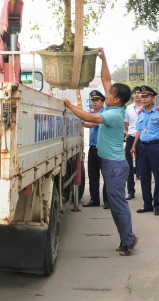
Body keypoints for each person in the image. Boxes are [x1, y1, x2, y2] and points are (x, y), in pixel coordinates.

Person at [61, 47, 137, 256]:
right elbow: (106, 79)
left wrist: (68, 105)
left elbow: (88, 116)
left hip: (114, 166)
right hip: (110, 164)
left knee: (118, 205)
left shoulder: (112, 115)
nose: (107, 93)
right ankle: (125, 239)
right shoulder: (112, 108)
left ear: (117, 99)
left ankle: (128, 241)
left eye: (110, 93)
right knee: (115, 205)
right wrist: (103, 59)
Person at [131, 86, 159, 216]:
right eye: (142, 96)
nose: (143, 99)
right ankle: (147, 204)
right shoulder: (140, 113)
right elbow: (138, 130)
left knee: (158, 177)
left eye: (146, 96)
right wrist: (134, 145)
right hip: (142, 147)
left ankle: (158, 205)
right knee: (144, 177)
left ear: (153, 98)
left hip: (156, 147)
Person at [83, 90, 109, 209]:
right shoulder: (92, 113)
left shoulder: (105, 114)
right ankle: (94, 199)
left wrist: (80, 121)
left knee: (106, 175)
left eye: (97, 100)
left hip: (103, 149)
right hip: (92, 148)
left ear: (103, 102)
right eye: (93, 100)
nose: (94, 102)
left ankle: (107, 200)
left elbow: (93, 124)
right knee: (93, 176)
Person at [123, 87, 143, 200]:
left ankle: (147, 190)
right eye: (134, 93)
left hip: (144, 139)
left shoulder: (146, 108)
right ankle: (131, 191)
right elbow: (126, 124)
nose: (136, 95)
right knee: (129, 166)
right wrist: (127, 134)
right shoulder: (128, 109)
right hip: (131, 138)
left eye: (138, 93)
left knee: (144, 165)